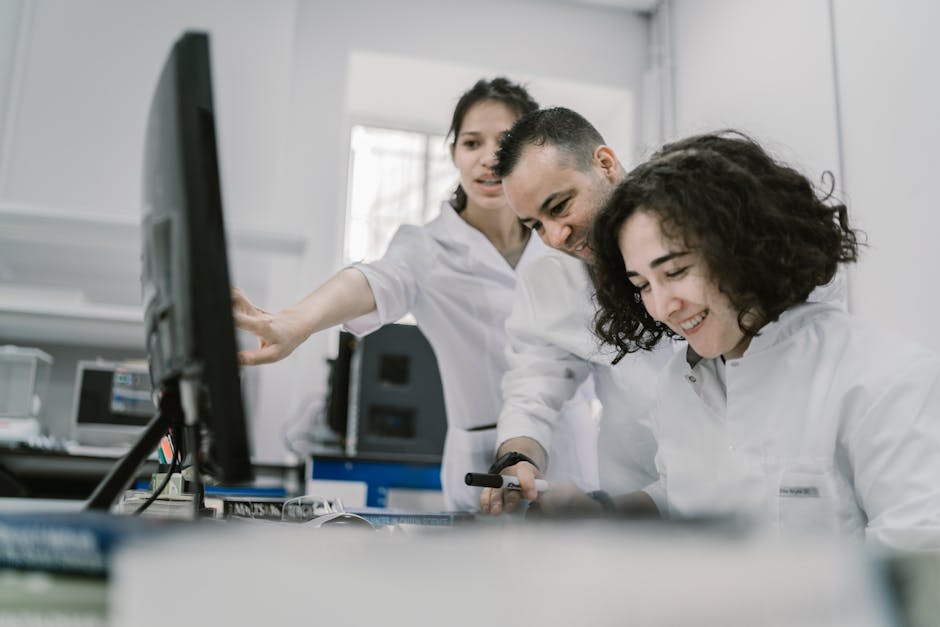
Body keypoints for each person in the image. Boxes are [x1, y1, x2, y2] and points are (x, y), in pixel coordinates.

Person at [552, 130, 940, 548]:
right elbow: (686, 493)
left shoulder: (882, 378)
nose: (663, 308)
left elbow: (917, 561)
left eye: (676, 271)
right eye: (643, 284)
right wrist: (603, 510)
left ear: (745, 246)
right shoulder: (677, 384)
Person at [232, 79, 597, 511]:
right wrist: (297, 321)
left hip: (577, 450)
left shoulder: (563, 234)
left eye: (504, 141)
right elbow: (375, 279)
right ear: (453, 153)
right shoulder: (427, 247)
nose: (487, 158)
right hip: (484, 465)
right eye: (471, 142)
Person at [480, 109, 846, 516]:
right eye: (535, 225)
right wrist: (521, 458)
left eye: (561, 206)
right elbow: (533, 392)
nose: (554, 236)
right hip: (654, 497)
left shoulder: (844, 374)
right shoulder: (678, 385)